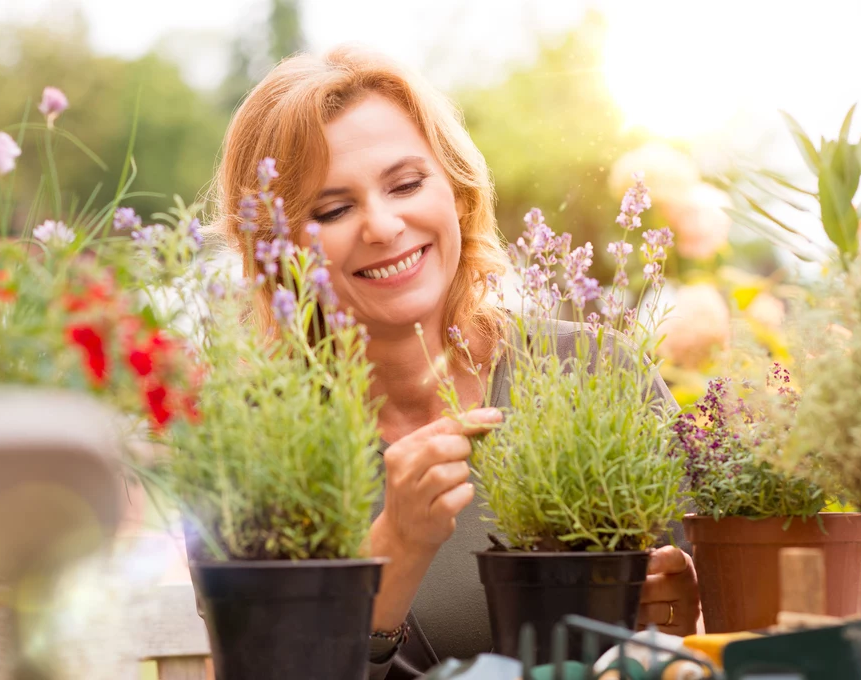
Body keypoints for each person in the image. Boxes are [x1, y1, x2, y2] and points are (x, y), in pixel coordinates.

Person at [210, 45, 700, 679]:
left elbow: (715, 627)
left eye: (407, 183)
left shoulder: (595, 372)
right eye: (332, 210)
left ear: (458, 190)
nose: (383, 226)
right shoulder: (259, 444)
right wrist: (392, 551)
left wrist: (681, 619)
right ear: (276, 253)